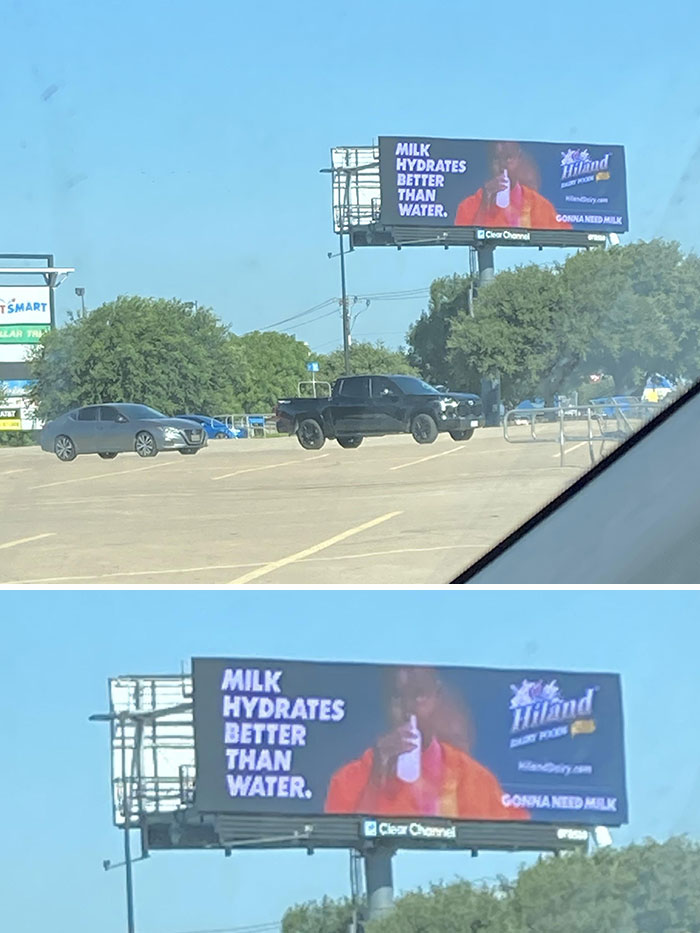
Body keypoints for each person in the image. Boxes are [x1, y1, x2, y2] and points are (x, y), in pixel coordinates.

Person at [324, 667, 529, 820]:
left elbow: (521, 835)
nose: (408, 710)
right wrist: (376, 779)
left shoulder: (477, 780)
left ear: (437, 697)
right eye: (397, 697)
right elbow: (348, 845)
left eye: (419, 695)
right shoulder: (347, 780)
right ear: (385, 702)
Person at [454, 141, 572, 231]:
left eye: (509, 158)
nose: (502, 166)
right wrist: (485, 204)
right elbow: (468, 243)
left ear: (519, 159)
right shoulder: (468, 206)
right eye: (496, 159)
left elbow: (567, 239)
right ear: (489, 162)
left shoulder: (542, 206)